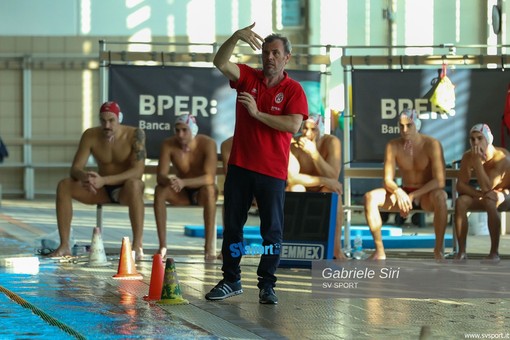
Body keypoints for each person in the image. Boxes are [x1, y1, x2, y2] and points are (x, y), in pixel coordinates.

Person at [205, 23, 308, 305]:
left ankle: (267, 284)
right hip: (240, 166)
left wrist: (257, 113)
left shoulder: (293, 90)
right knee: (233, 226)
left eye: (275, 53)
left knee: (271, 231)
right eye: (265, 52)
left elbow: (294, 125)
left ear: (287, 57)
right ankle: (231, 279)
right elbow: (219, 61)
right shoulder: (248, 77)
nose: (269, 57)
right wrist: (235, 36)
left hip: (272, 171)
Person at [47, 101, 146, 259]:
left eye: (111, 120)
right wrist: (85, 177)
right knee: (64, 185)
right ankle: (64, 245)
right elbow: (75, 169)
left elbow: (138, 171)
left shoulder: (135, 134)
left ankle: (137, 246)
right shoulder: (90, 135)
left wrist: (104, 180)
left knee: (135, 184)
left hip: (125, 190)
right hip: (100, 189)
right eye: (103, 120)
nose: (107, 125)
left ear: (119, 119)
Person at [363, 109, 448, 260]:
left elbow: (440, 181)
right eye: (401, 126)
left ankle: (438, 250)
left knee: (441, 196)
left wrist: (413, 195)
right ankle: (379, 251)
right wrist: (399, 192)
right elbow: (387, 179)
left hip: (425, 195)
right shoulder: (393, 145)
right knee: (370, 197)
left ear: (418, 125)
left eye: (409, 125)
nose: (405, 130)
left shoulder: (432, 144)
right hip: (404, 192)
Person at [153, 114, 218, 260]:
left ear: (193, 130)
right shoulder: (168, 144)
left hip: (202, 191)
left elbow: (209, 178)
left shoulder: (208, 144)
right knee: (159, 191)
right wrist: (170, 180)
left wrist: (184, 182)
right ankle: (162, 246)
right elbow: (160, 176)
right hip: (180, 192)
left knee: (210, 190)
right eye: (177, 130)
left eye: (184, 130)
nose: (180, 134)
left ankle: (208, 247)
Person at [286, 113, 345, 260]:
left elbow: (333, 177)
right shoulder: (293, 144)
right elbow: (292, 178)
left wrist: (314, 154)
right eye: (305, 128)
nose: (307, 133)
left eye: (313, 130)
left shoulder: (332, 142)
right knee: (295, 189)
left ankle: (336, 250)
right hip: (303, 187)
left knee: (333, 193)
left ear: (322, 130)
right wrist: (324, 180)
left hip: (323, 188)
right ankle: (295, 249)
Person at [454, 124, 510, 261]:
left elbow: (488, 187)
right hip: (486, 195)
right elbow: (460, 186)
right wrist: (478, 194)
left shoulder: (501, 157)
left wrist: (477, 163)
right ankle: (461, 252)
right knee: (461, 202)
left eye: (479, 138)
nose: (476, 143)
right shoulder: (468, 156)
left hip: (506, 195)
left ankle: (494, 253)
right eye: (472, 139)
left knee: (491, 200)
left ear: (488, 139)